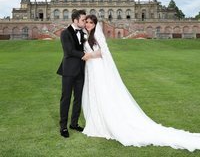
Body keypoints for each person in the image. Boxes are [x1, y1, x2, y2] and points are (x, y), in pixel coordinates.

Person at [81, 14, 200, 152]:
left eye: (91, 22)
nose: (88, 24)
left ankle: (106, 122)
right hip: (91, 68)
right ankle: (97, 122)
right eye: (87, 22)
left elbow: (104, 51)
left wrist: (90, 55)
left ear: (95, 24)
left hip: (98, 67)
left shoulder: (97, 35)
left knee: (102, 92)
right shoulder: (85, 34)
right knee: (94, 93)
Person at [57, 10, 90, 138]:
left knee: (78, 98)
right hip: (69, 70)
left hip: (81, 70)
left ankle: (74, 123)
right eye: (83, 20)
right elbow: (69, 51)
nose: (85, 22)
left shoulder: (83, 33)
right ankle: (63, 126)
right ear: (75, 20)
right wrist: (85, 55)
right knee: (66, 98)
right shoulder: (65, 33)